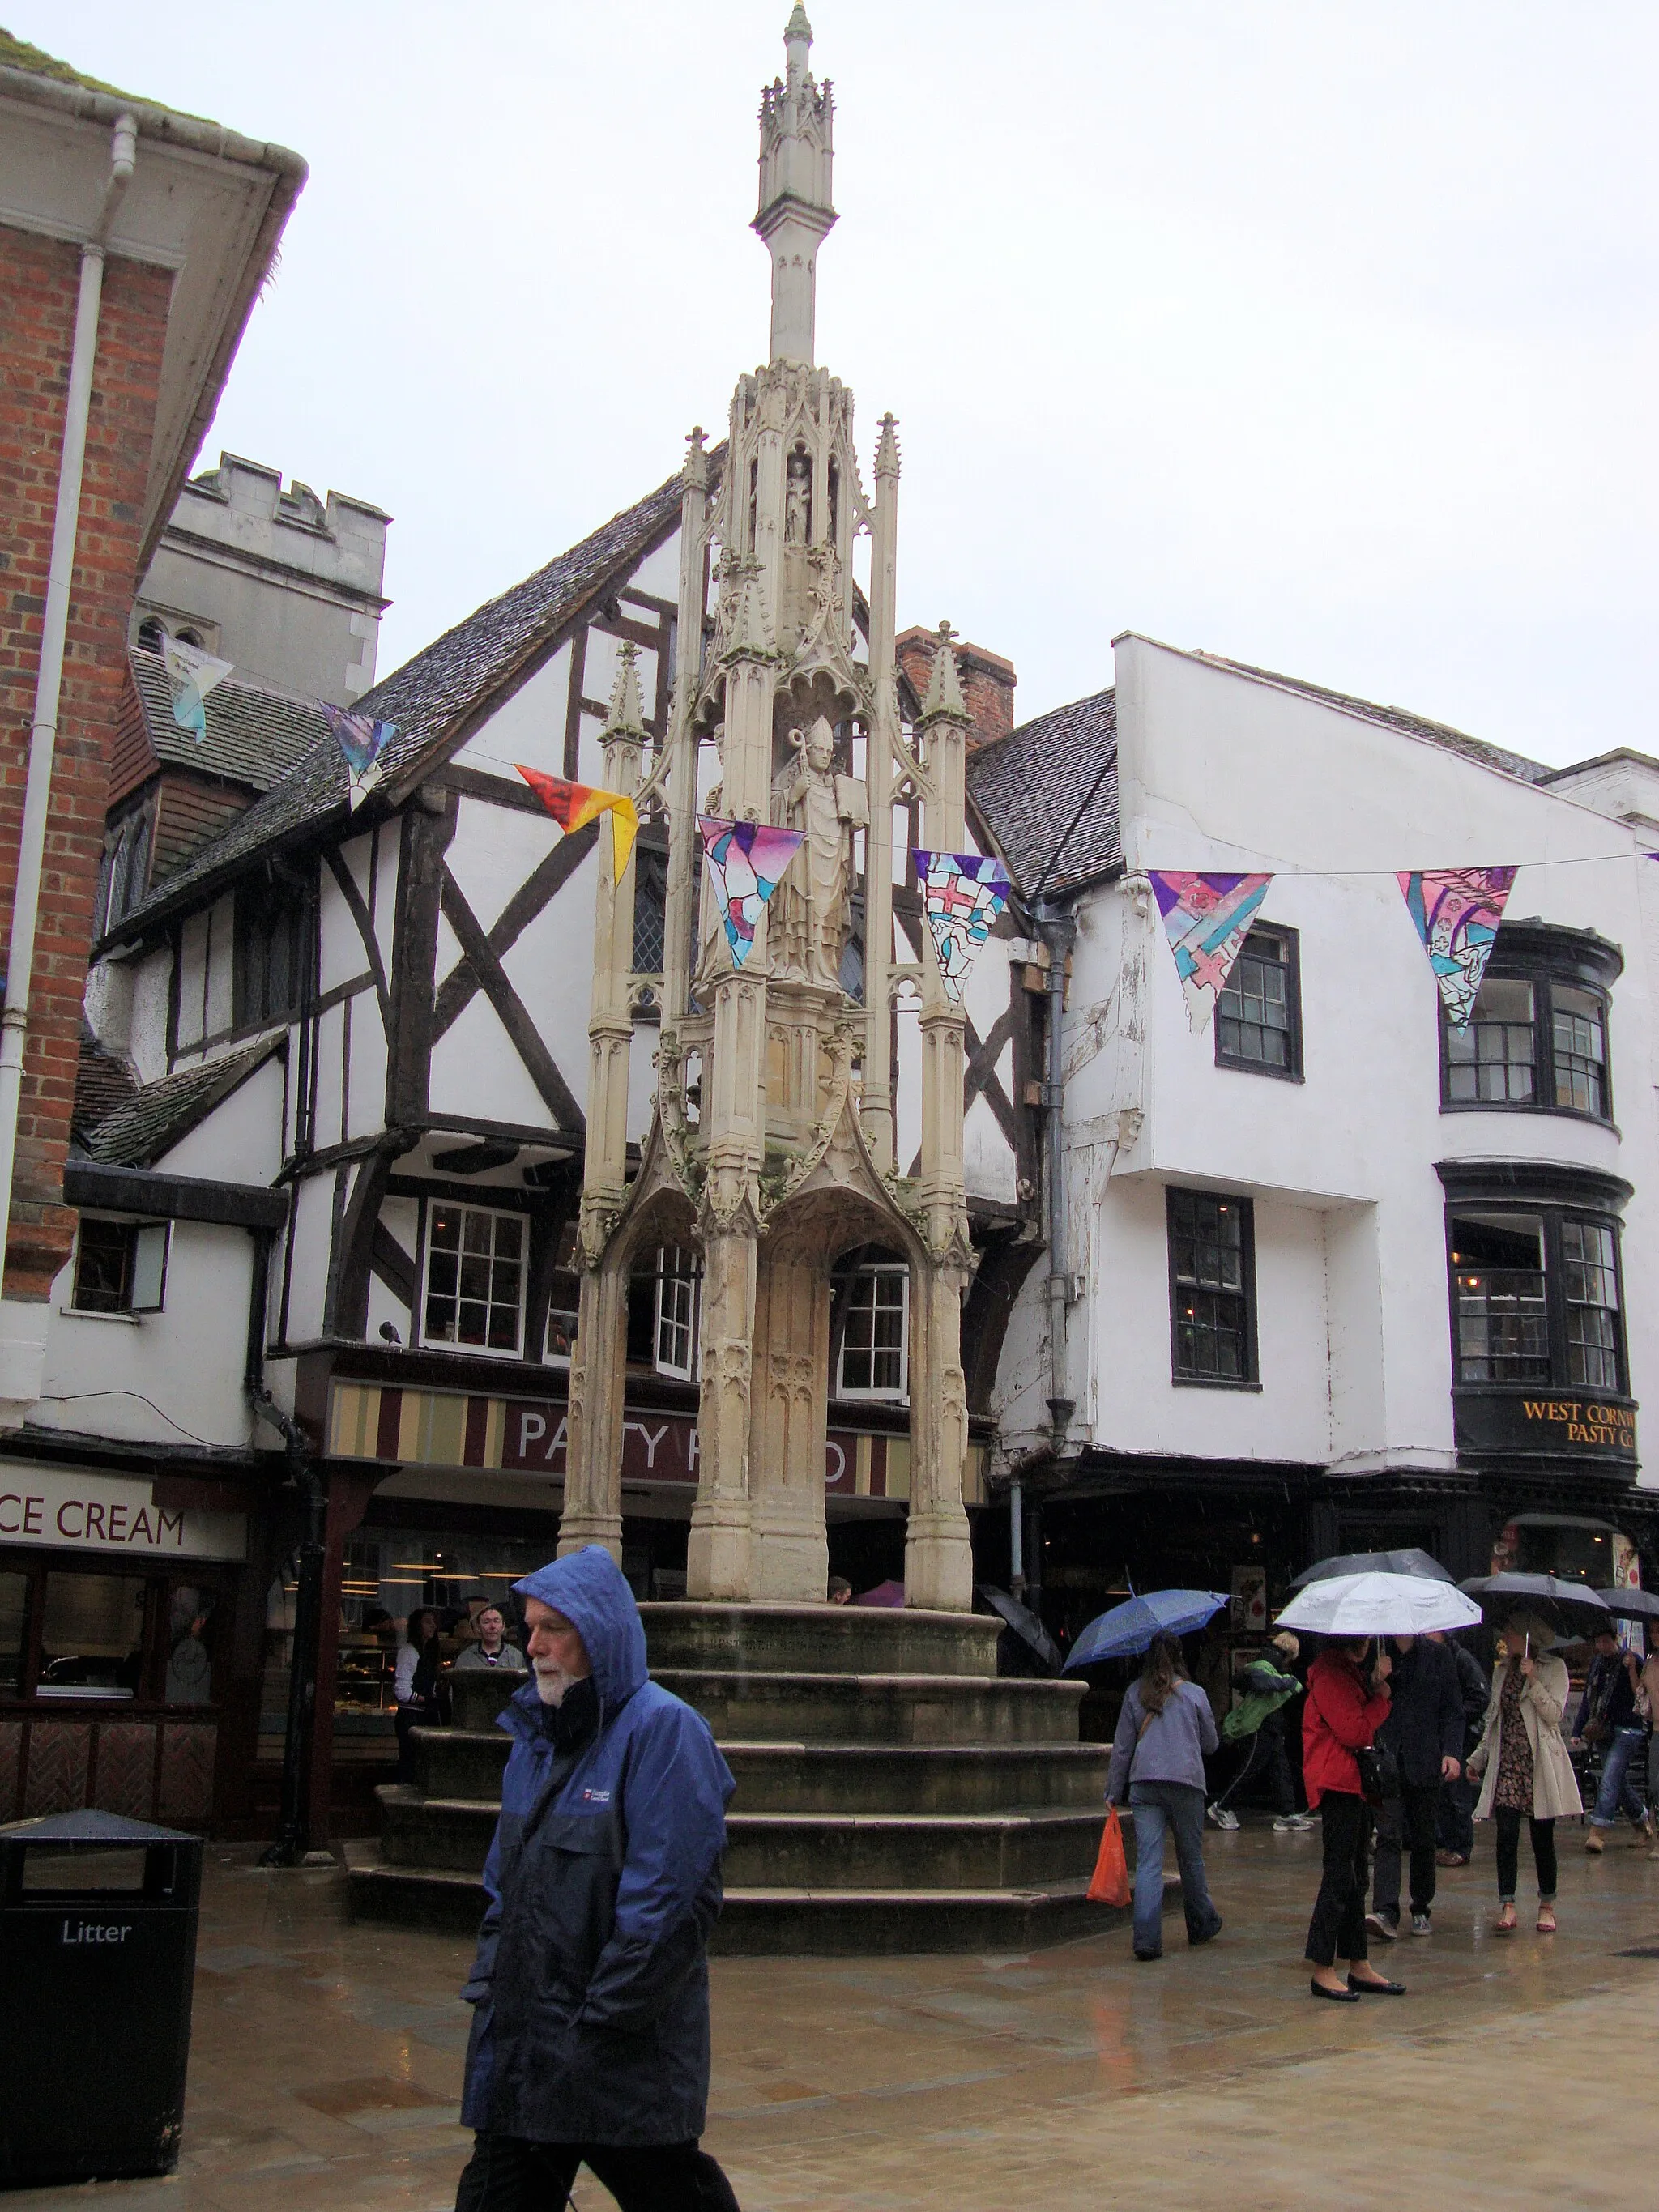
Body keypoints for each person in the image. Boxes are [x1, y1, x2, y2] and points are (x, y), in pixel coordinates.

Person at [455, 1545, 740, 2212]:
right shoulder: (535, 1734)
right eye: (530, 1627)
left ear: (600, 1633)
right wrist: (496, 1991)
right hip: (525, 2047)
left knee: (671, 2189)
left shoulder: (664, 1731)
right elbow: (506, 1884)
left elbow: (667, 1907)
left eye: (554, 1628)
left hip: (616, 2057)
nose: (534, 1645)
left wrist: (596, 2028)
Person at [1104, 1633, 1224, 1963]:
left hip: (1144, 1785)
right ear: (1180, 1656)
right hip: (1187, 1784)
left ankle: (1146, 1939)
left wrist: (1114, 1791)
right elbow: (1211, 1744)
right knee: (1191, 1858)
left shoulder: (1134, 1694)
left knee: (1149, 1863)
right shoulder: (1195, 1695)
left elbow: (1123, 1749)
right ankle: (1201, 1924)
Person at [1302, 1635, 1403, 2001]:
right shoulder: (1331, 1676)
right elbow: (1356, 1731)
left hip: (1354, 1785)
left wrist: (1375, 1689)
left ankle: (1358, 1963)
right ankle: (1322, 1967)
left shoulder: (1347, 1673)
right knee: (1340, 1874)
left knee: (1357, 1875)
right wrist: (1382, 1700)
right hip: (1338, 1783)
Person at [1469, 1613, 1581, 1933]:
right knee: (1506, 1835)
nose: (1506, 1638)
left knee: (1541, 1838)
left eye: (1512, 1633)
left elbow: (1554, 1715)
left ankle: (1547, 1905)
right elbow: (1494, 1718)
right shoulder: (1502, 1671)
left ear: (1528, 1636)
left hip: (1538, 1764)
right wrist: (1477, 1759)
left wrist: (1533, 1681)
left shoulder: (1553, 1669)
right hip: (1508, 1763)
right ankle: (1508, 1903)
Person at [1365, 1631, 1464, 1940]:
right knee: (1388, 1835)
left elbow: (1453, 1710)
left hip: (1425, 1758)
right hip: (1388, 1758)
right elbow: (1362, 1704)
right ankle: (1385, 1910)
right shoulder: (1377, 1653)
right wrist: (1375, 1680)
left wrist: (1452, 1751)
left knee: (1423, 1837)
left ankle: (1421, 1906)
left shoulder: (1438, 1657)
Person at [1209, 1631, 1310, 1832]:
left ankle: (1287, 1813)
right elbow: (1261, 1682)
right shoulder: (1269, 1660)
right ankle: (1222, 1805)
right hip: (1260, 1725)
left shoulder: (1264, 1658)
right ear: (1290, 1652)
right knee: (1251, 1768)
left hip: (1269, 1725)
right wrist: (1287, 1682)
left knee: (1279, 1768)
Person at [1572, 1625, 1655, 1852]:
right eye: (1598, 1642)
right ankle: (1642, 1823)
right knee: (1616, 1780)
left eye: (1605, 1641)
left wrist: (1631, 1669)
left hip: (1629, 1729)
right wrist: (1577, 1730)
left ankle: (1597, 1831)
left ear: (1615, 1639)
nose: (1602, 1646)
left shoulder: (1632, 1660)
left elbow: (1641, 1692)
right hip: (1604, 1729)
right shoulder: (1597, 1664)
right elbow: (1589, 1698)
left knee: (1609, 1776)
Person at [1431, 1630, 1489, 1866]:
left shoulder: (1461, 1658)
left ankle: (1461, 1846)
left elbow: (1481, 1695)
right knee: (1443, 1792)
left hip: (1461, 1734)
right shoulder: (1431, 1659)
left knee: (1457, 1793)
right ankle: (1447, 1842)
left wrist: (1456, 1714)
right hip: (1439, 1735)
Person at [394, 1607, 445, 1783]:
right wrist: (424, 1699)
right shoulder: (409, 1652)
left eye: (434, 1623)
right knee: (409, 1761)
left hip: (425, 1715)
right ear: (417, 1626)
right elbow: (402, 1690)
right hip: (411, 1716)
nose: (433, 1626)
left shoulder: (428, 1653)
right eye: (427, 1622)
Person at [455, 1605, 527, 1671]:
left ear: (503, 1626)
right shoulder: (466, 1658)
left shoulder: (517, 1657)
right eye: (487, 1622)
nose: (492, 1626)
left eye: (497, 1621)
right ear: (478, 1628)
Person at [1640, 1621, 1659, 1864]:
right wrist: (1633, 1669)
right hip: (1656, 1728)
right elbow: (1641, 1694)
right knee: (1655, 1784)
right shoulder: (1650, 1662)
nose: (1655, 1636)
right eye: (1652, 1632)